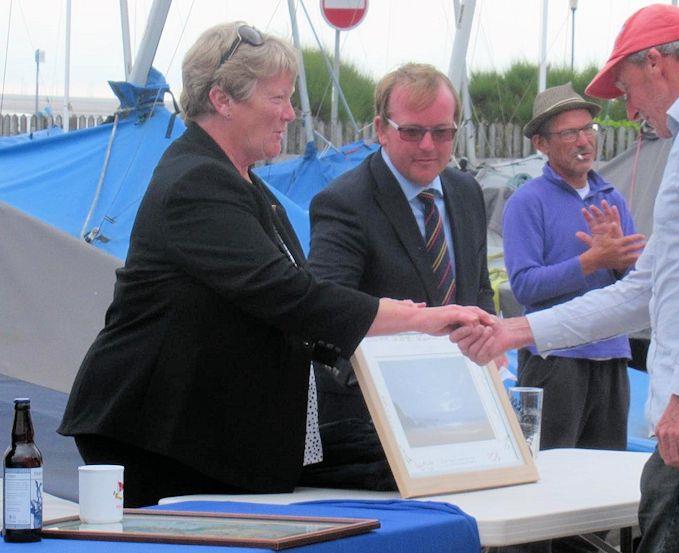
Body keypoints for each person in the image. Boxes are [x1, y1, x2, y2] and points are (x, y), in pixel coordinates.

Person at [57, 22, 488, 508]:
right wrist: (418, 317)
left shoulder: (243, 184)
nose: (290, 114)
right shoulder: (196, 181)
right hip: (158, 434)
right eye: (278, 99)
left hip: (210, 432)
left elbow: (293, 304)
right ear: (223, 100)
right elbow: (287, 295)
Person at [452, 5, 679, 552]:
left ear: (656, 63)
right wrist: (514, 332)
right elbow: (647, 290)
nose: (628, 109)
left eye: (627, 88)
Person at [303, 63, 496, 490]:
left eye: (442, 132)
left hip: (463, 415)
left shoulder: (466, 192)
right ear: (381, 128)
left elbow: (479, 289)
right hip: (374, 427)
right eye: (412, 132)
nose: (428, 145)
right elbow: (329, 313)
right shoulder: (343, 203)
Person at [502, 83, 643, 553]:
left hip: (612, 356)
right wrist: (590, 261)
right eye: (569, 133)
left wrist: (619, 261)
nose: (584, 140)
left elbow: (635, 282)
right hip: (553, 361)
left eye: (589, 129)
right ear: (541, 144)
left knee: (604, 484)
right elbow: (523, 288)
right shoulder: (527, 202)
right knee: (551, 483)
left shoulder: (611, 196)